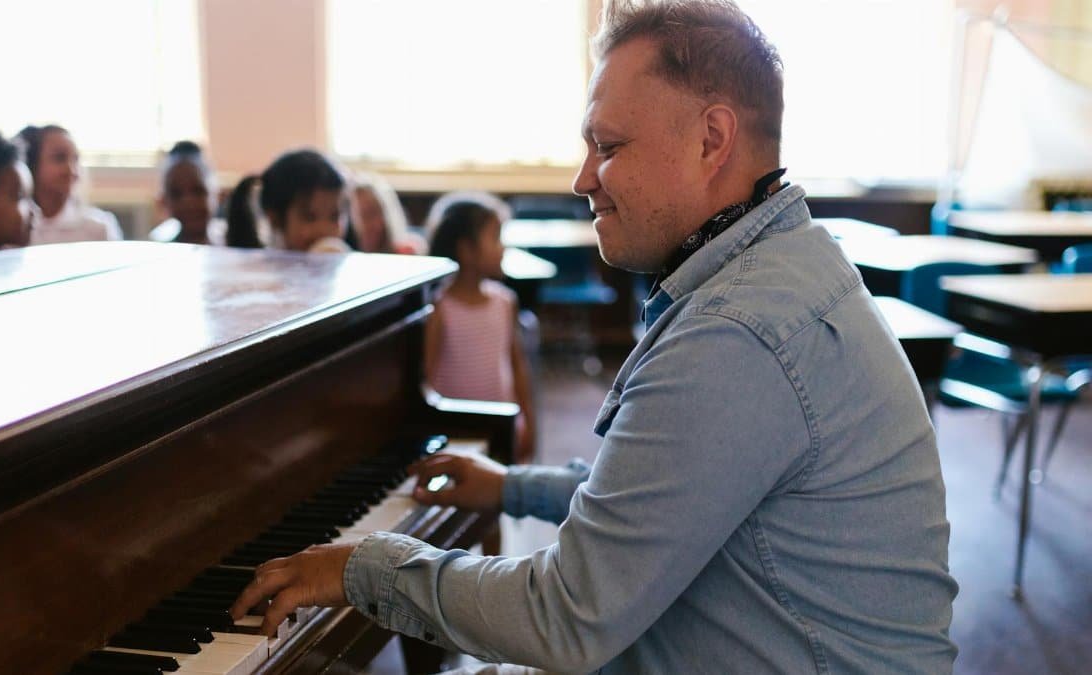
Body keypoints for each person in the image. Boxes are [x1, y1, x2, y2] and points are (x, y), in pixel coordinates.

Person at [231, 1, 958, 673]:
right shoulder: (779, 267)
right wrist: (511, 486)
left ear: (712, 139)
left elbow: (567, 616)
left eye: (607, 145)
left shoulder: (737, 333)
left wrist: (361, 569)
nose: (584, 176)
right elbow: (662, 489)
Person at [425, 192, 536, 464]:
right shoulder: (440, 307)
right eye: (496, 238)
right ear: (467, 250)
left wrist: (527, 419)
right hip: (456, 431)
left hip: (501, 423)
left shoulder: (504, 301)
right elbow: (426, 376)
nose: (504, 248)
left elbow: (517, 365)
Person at [226, 148, 352, 253]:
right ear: (274, 218)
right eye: (309, 217)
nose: (324, 229)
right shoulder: (263, 274)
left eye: (335, 216)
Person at [15, 124, 123, 245]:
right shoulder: (15, 228)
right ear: (31, 163)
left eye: (75, 159)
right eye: (59, 158)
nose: (72, 170)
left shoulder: (99, 228)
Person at [149, 141, 226, 245]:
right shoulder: (159, 249)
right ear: (163, 202)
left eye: (198, 191)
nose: (189, 203)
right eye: (176, 194)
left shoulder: (234, 245)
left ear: (217, 195)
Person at [347, 172, 426, 254]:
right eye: (363, 215)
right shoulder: (343, 253)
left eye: (374, 213)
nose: (375, 223)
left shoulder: (405, 251)